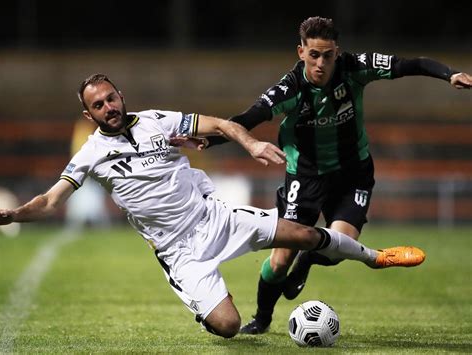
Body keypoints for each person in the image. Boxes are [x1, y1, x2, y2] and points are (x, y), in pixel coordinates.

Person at [0, 73, 426, 339]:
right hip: (179, 251)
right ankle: (209, 301)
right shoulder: (90, 153)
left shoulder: (157, 121)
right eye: (98, 105)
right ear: (88, 114)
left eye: (111, 98)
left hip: (214, 216)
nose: (108, 107)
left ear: (120, 95)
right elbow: (51, 200)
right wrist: (16, 215)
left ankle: (375, 257)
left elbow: (221, 123)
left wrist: (253, 142)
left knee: (302, 234)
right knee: (228, 326)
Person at [201, 16, 472, 334]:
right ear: (300, 51)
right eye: (313, 55)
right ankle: (262, 318)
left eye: (327, 55)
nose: (320, 63)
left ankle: (310, 260)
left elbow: (410, 64)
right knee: (279, 261)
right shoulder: (289, 89)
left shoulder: (355, 67)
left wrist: (449, 74)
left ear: (336, 52)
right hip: (304, 178)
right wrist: (207, 139)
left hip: (352, 173)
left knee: (341, 245)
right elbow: (248, 118)